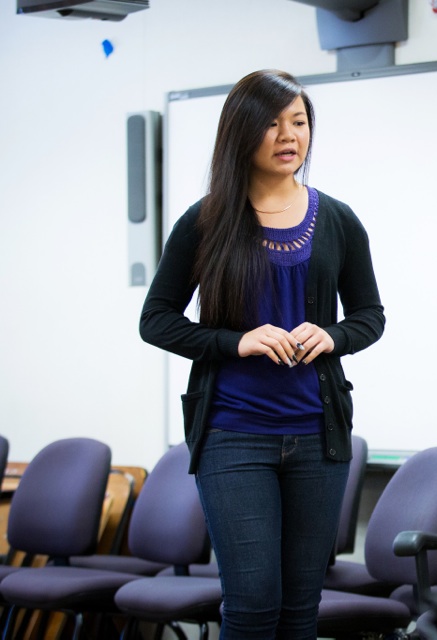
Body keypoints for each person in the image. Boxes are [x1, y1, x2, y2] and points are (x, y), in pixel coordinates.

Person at [140, 69, 385, 639]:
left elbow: (370, 316)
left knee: (301, 612)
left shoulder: (339, 220)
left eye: (298, 122)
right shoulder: (205, 222)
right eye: (272, 124)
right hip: (233, 436)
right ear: (242, 133)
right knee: (251, 606)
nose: (288, 135)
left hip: (318, 440)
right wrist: (236, 341)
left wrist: (334, 336)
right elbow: (156, 320)